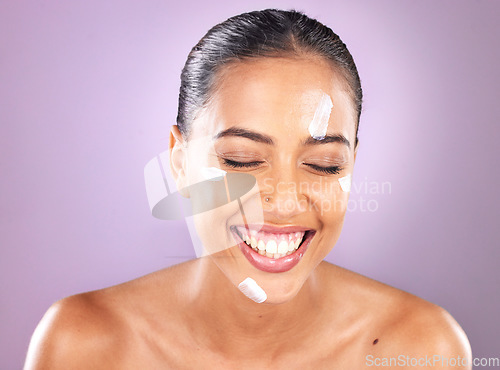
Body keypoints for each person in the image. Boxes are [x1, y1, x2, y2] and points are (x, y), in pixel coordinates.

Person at [25, 9, 471, 369]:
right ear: (179, 162)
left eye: (324, 164)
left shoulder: (421, 347)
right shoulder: (84, 346)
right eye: (240, 160)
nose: (284, 200)